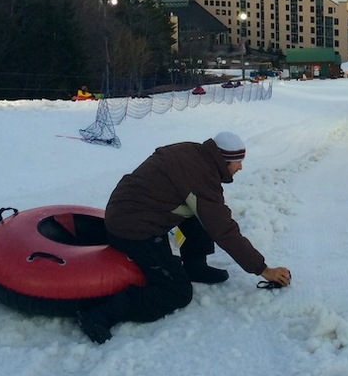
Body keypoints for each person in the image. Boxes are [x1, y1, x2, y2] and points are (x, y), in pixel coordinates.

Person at [77, 132, 291, 344]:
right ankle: (100, 313)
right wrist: (263, 269)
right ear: (223, 160)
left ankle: (195, 266)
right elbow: (224, 230)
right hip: (135, 230)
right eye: (237, 162)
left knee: (200, 214)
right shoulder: (201, 178)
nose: (240, 167)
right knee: (177, 292)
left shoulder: (194, 152)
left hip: (128, 211)